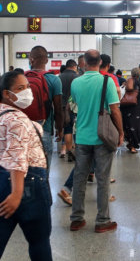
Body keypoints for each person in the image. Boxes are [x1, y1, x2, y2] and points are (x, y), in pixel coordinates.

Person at [69, 50, 124, 233]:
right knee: (102, 179)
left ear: (84, 62)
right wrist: (121, 132)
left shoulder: (76, 82)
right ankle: (102, 220)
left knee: (79, 178)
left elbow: (76, 104)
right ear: (100, 62)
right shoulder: (106, 81)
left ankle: (76, 219)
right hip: (102, 137)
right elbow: (115, 110)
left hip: (82, 136)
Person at [0, 71, 52, 260]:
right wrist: (16, 194)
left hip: (3, 180)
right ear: (7, 94)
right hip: (27, 183)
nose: (27, 92)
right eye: (20, 89)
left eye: (28, 87)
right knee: (39, 242)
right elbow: (17, 158)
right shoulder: (17, 120)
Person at [27, 46, 63, 168]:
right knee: (43, 173)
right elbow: (58, 108)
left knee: (24, 172)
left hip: (23, 130)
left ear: (31, 59)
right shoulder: (54, 80)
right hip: (45, 129)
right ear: (46, 60)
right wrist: (60, 128)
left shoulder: (21, 78)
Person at [58, 59, 79, 161]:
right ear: (74, 66)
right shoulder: (77, 77)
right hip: (73, 108)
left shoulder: (59, 77)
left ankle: (67, 150)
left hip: (61, 109)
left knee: (66, 130)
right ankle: (73, 151)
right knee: (73, 130)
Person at [120, 68, 140, 153]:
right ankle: (132, 145)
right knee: (135, 127)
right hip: (136, 107)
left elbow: (129, 87)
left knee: (128, 126)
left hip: (128, 107)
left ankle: (131, 144)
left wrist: (126, 84)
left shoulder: (131, 80)